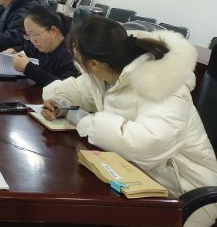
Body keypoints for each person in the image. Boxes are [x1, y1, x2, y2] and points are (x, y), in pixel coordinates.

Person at [42, 16, 217, 227]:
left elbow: (148, 144)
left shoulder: (161, 83)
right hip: (138, 178)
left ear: (94, 64)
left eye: (77, 57)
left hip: (183, 192)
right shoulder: (106, 74)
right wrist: (59, 101)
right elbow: (79, 90)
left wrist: (86, 121)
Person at [4, 6, 80, 86]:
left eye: (34, 34)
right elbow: (27, 49)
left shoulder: (72, 56)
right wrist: (15, 50)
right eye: (28, 35)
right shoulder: (41, 46)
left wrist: (28, 68)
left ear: (53, 31)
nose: (33, 40)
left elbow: (66, 87)